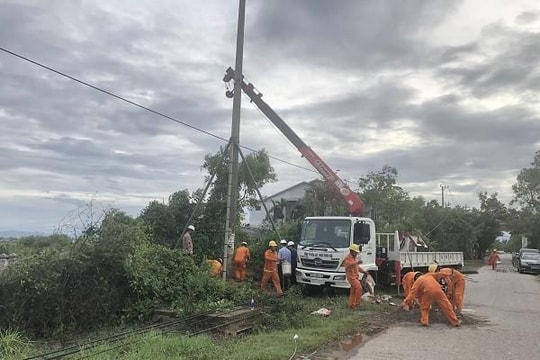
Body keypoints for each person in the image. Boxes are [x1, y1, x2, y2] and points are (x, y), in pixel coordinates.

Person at [343, 244, 367, 310]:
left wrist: (363, 271)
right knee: (359, 288)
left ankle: (351, 305)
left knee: (353, 291)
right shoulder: (348, 258)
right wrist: (357, 263)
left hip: (355, 276)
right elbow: (348, 265)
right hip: (351, 277)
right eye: (355, 252)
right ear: (352, 251)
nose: (356, 253)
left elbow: (357, 267)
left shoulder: (354, 259)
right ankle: (357, 304)